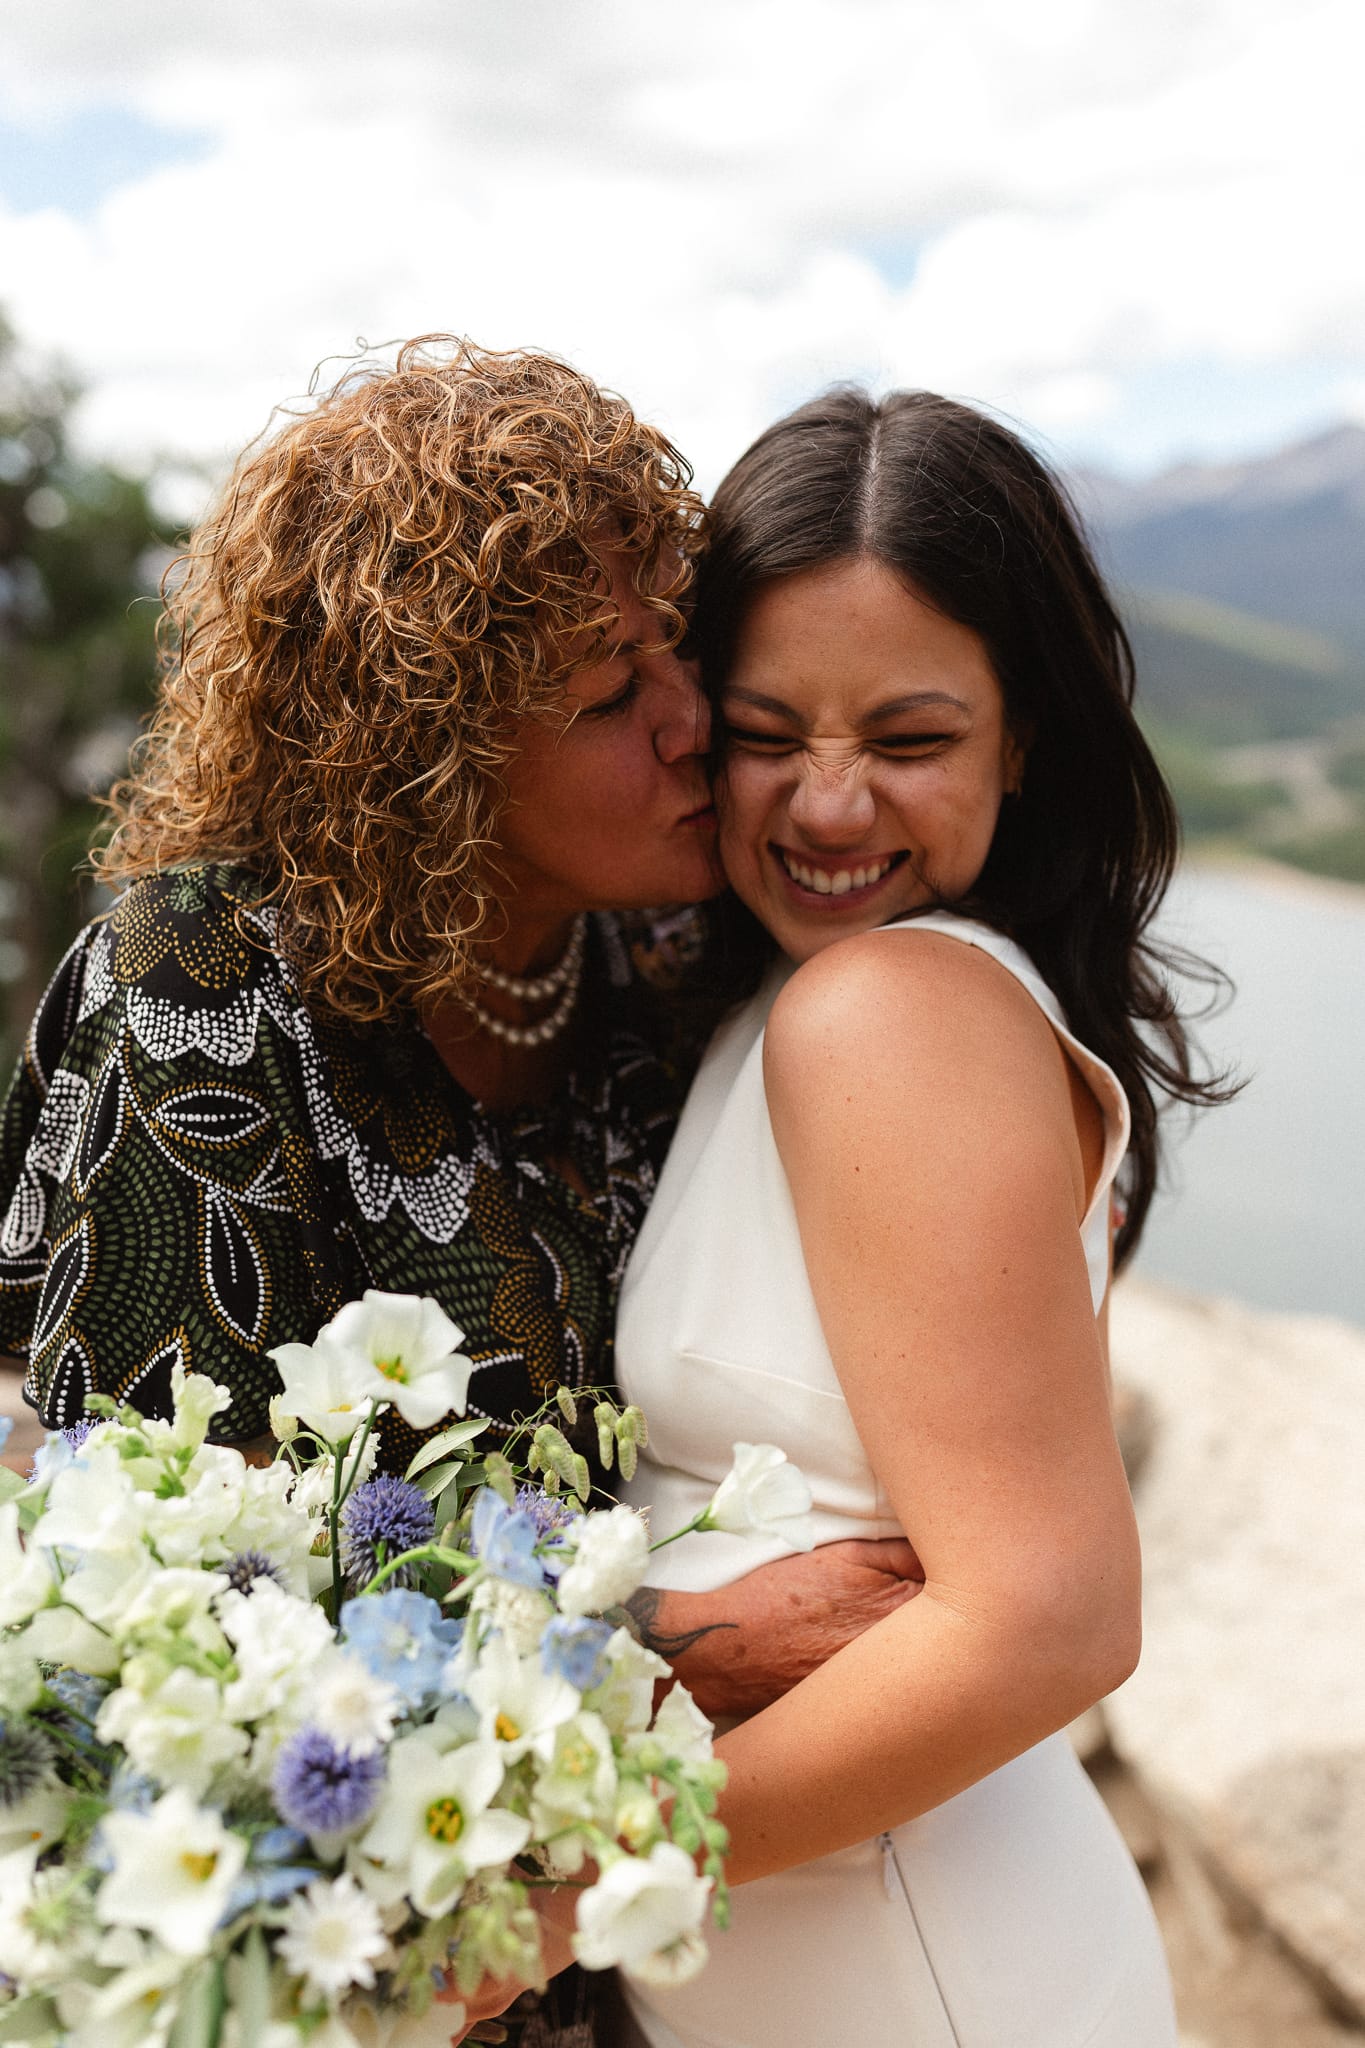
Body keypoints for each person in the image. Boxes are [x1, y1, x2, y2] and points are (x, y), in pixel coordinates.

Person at [0, 342, 922, 2048]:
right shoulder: (201, 987)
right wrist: (671, 1637)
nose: (691, 718)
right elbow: (162, 1599)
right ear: (421, 756)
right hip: (328, 1945)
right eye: (608, 693)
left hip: (643, 1942)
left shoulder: (669, 958)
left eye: (677, 641)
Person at [610, 389, 1226, 2046]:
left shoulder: (886, 1009)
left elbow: (1048, 1619)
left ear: (1022, 742)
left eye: (906, 743)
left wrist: (566, 1885)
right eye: (765, 732)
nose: (826, 808)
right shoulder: (798, 1001)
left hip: (915, 1958)